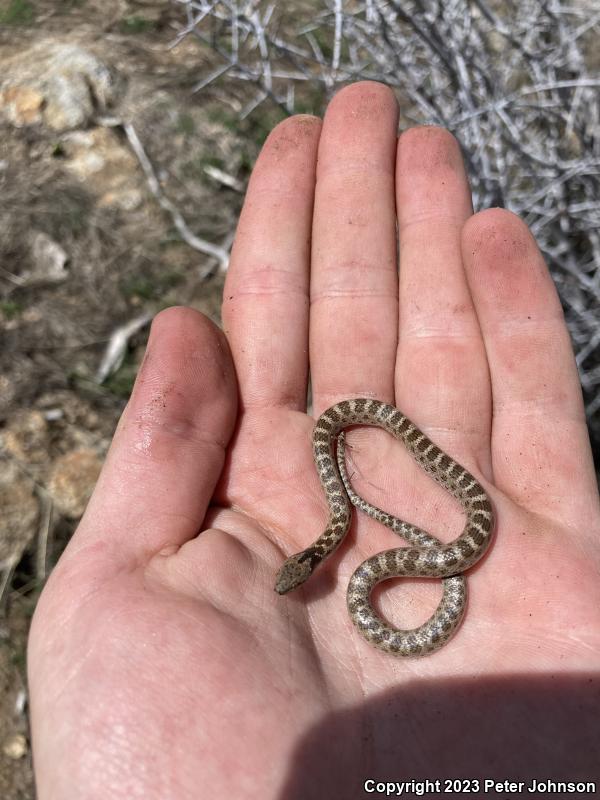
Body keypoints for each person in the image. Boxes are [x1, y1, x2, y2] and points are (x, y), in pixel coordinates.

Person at [28, 82, 600, 799]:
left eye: (301, 573)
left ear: (315, 561)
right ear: (314, 563)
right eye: (302, 576)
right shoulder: (341, 530)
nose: (299, 579)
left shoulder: (345, 522)